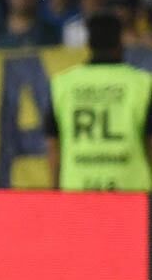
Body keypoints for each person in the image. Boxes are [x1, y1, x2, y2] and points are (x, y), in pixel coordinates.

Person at [45, 13, 152, 191]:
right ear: (120, 43)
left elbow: (53, 148)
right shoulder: (142, 84)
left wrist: (56, 192)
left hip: (78, 191)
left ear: (88, 45)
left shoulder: (62, 84)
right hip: (133, 193)